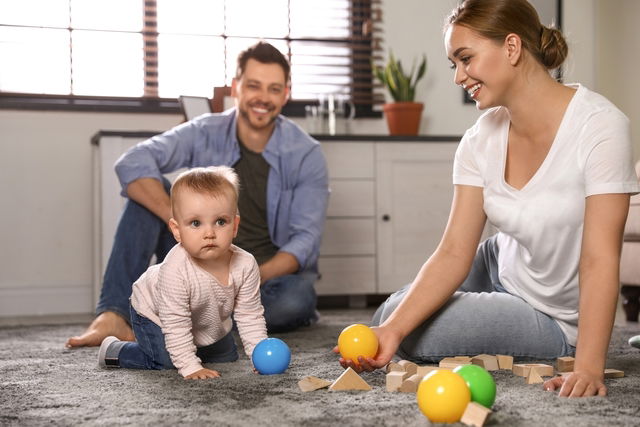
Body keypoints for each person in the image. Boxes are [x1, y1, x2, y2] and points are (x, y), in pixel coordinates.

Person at [336, 0, 639, 398]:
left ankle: (507, 326)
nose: (459, 76)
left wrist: (586, 366)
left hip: (554, 314)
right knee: (389, 320)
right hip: (501, 262)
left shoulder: (600, 127)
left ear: (511, 48)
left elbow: (600, 258)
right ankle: (449, 314)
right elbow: (454, 251)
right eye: (453, 64)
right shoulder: (479, 139)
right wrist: (391, 328)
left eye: (466, 59)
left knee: (420, 335)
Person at [68, 41, 329, 348]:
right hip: (197, 263)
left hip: (261, 277)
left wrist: (249, 277)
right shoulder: (206, 130)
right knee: (144, 192)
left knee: (296, 298)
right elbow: (131, 163)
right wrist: (182, 223)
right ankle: (113, 315)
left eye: (274, 89)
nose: (263, 98)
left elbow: (304, 243)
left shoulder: (307, 153)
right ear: (236, 87)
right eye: (254, 86)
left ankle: (198, 318)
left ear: (286, 93)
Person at [98, 167, 267, 379]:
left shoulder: (245, 263)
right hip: (155, 314)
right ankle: (117, 350)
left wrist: (259, 356)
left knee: (227, 358)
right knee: (169, 361)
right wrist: (190, 366)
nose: (209, 233)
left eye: (221, 221)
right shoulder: (175, 270)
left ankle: (193, 348)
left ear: (235, 226)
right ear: (177, 230)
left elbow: (249, 314)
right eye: (196, 223)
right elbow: (176, 322)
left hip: (205, 320)